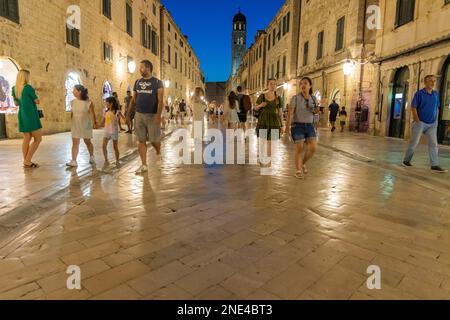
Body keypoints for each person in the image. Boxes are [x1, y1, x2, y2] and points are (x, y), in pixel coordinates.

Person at [403, 75, 447, 173]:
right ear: (425, 82)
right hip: (420, 122)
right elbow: (413, 107)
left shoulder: (435, 94)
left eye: (434, 81)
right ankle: (406, 160)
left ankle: (434, 165)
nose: (433, 83)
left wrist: (436, 120)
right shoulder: (419, 94)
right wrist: (417, 120)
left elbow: (437, 107)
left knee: (433, 144)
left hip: (432, 124)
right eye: (430, 81)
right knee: (414, 142)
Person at [127, 60, 164, 174]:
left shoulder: (157, 82)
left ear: (148, 68)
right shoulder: (137, 82)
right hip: (139, 114)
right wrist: (129, 114)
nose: (140, 69)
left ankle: (158, 152)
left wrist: (158, 116)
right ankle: (144, 165)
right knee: (141, 140)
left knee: (154, 140)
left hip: (152, 115)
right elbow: (134, 99)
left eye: (141, 67)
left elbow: (160, 100)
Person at [286, 77, 320, 179]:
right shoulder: (295, 98)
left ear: (310, 85)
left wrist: (315, 110)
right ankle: (298, 171)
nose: (303, 85)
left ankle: (303, 163)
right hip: (297, 125)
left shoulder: (314, 98)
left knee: (313, 148)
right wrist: (287, 127)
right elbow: (290, 112)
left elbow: (316, 112)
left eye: (305, 83)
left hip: (309, 125)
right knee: (299, 148)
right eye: (301, 84)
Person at [11, 70, 43, 169]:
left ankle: (26, 161)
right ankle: (27, 160)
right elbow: (37, 101)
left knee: (27, 138)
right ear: (25, 77)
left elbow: (16, 104)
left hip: (22, 114)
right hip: (31, 115)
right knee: (38, 139)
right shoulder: (28, 88)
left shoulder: (14, 89)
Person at [66, 85, 98, 167]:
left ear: (79, 91)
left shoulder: (88, 102)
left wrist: (94, 123)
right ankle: (73, 161)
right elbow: (72, 114)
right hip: (75, 125)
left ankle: (92, 156)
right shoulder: (72, 102)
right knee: (75, 143)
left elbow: (92, 113)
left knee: (87, 142)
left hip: (85, 125)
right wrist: (71, 123)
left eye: (74, 90)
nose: (72, 91)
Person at [255, 79, 283, 168]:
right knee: (262, 141)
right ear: (267, 85)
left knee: (270, 142)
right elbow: (255, 108)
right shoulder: (262, 96)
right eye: (271, 84)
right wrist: (260, 105)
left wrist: (282, 125)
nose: (273, 86)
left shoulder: (278, 98)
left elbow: (280, 112)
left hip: (274, 121)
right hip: (263, 120)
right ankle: (262, 157)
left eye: (275, 84)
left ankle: (269, 161)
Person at [102, 97, 125, 166]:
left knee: (115, 147)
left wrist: (126, 119)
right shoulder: (105, 111)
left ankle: (117, 160)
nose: (106, 103)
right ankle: (106, 160)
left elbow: (124, 119)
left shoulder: (117, 112)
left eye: (107, 102)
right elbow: (102, 121)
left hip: (114, 131)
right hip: (106, 131)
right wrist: (96, 124)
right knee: (103, 146)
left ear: (111, 103)